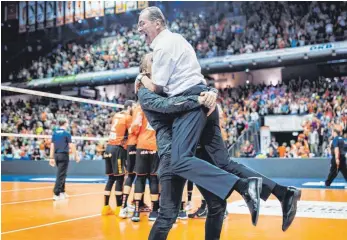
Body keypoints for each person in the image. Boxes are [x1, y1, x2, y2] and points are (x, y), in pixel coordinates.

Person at [136, 6, 301, 236]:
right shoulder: (146, 91)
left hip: (189, 134)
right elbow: (168, 104)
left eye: (142, 23)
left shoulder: (163, 50)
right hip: (179, 137)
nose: (139, 28)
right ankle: (263, 189)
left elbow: (178, 87)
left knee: (212, 192)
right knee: (170, 211)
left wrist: (203, 94)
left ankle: (276, 192)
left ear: (156, 23)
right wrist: (202, 97)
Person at [101, 101, 134, 216]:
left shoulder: (116, 115)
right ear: (129, 107)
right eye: (133, 107)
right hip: (118, 149)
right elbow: (132, 133)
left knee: (110, 179)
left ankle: (105, 207)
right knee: (120, 179)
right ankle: (120, 208)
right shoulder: (128, 117)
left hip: (108, 147)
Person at [130, 105, 160, 222]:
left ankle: (136, 211)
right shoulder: (159, 106)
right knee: (153, 179)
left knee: (140, 178)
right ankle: (154, 211)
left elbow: (134, 128)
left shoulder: (139, 108)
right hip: (155, 146)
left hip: (142, 145)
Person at [49, 118, 80, 201]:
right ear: (65, 123)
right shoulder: (66, 133)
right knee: (61, 175)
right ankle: (56, 193)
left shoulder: (55, 133)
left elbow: (52, 146)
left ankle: (62, 191)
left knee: (63, 174)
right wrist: (76, 156)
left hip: (56, 155)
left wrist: (51, 157)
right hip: (63, 155)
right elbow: (71, 145)